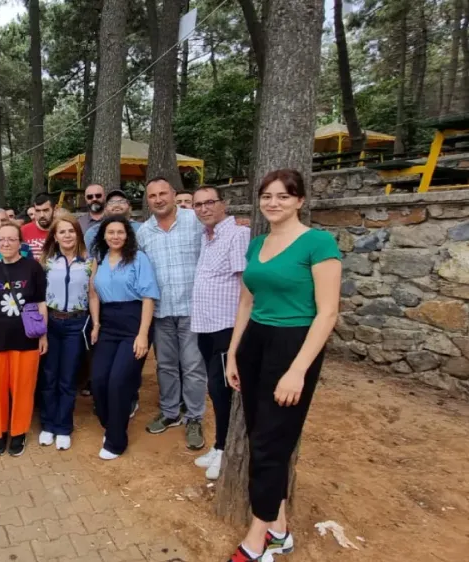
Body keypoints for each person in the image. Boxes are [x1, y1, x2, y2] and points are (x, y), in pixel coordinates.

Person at [224, 169, 340, 562]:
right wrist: (233, 352)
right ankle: (280, 527)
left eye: (284, 196)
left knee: (270, 443)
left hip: (294, 345)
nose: (274, 203)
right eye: (267, 196)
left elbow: (327, 314)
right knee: (263, 436)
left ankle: (259, 537)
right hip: (255, 340)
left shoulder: (318, 243)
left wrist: (298, 370)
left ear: (300, 201)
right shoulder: (257, 243)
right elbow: (246, 302)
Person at [136, 178, 208, 450]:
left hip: (192, 309)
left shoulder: (195, 221)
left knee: (192, 366)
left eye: (163, 193)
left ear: (174, 194)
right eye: (152, 195)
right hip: (161, 311)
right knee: (165, 365)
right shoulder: (144, 232)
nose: (158, 199)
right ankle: (170, 412)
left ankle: (194, 418)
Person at [190, 186, 249, 480]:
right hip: (205, 325)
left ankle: (226, 450)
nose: (203, 208)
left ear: (223, 204)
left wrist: (240, 333)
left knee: (221, 390)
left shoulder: (237, 235)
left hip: (227, 327)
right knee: (215, 390)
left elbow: (245, 286)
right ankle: (219, 444)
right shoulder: (206, 236)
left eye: (209, 202)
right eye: (198, 204)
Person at [88, 217, 158, 460]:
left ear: (127, 235)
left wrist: (142, 335)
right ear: (104, 236)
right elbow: (94, 294)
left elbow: (149, 297)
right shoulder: (100, 260)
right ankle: (111, 424)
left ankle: (116, 441)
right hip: (108, 323)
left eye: (120, 232)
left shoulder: (139, 258)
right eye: (111, 232)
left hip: (134, 321)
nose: (115, 236)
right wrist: (96, 324)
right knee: (98, 379)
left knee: (119, 380)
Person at [0, 223, 47, 457]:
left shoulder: (33, 268)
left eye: (11, 239)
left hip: (26, 338)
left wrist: (43, 334)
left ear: (20, 242)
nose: (6, 243)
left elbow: (41, 303)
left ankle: (18, 432)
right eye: (2, 239)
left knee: (23, 388)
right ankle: (0, 431)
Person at [38, 215, 92, 451]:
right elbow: (39, 299)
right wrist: (41, 331)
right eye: (62, 232)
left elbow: (93, 295)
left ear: (78, 234)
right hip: (51, 323)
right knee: (49, 376)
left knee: (68, 378)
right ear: (55, 236)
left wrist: (97, 324)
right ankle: (48, 425)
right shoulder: (46, 262)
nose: (67, 235)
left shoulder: (89, 262)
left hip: (76, 324)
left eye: (71, 231)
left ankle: (63, 427)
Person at [21, 193, 55, 259]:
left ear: (55, 209)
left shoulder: (61, 230)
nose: (42, 215)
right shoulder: (23, 230)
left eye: (46, 210)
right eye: (38, 211)